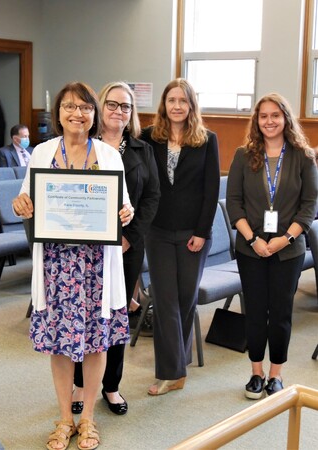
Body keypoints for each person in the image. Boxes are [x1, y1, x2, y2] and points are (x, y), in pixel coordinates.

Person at [12, 81, 134, 450]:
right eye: (69, 107)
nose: (77, 113)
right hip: (57, 264)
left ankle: (88, 419)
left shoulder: (109, 155)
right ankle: (65, 418)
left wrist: (125, 213)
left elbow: (123, 205)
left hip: (97, 262)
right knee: (61, 344)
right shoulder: (43, 152)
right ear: (59, 113)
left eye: (84, 107)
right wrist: (22, 203)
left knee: (97, 342)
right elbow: (26, 196)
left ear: (94, 114)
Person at [72, 81, 160, 415]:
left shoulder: (142, 150)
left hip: (126, 246)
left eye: (125, 106)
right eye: (112, 104)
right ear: (99, 107)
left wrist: (129, 237)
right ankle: (80, 383)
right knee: (86, 314)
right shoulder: (82, 145)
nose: (118, 111)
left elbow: (151, 197)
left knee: (116, 315)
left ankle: (111, 386)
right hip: (85, 247)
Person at [226, 93, 318, 399]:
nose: (269, 121)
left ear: (286, 118)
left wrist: (285, 238)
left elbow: (309, 205)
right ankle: (256, 372)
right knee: (254, 310)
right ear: (257, 120)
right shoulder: (243, 155)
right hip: (249, 248)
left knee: (280, 313)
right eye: (263, 116)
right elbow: (235, 204)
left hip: (288, 250)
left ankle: (276, 373)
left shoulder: (303, 156)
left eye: (275, 115)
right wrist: (253, 238)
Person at [140, 78, 220, 396]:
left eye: (183, 101)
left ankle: (179, 359)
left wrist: (202, 232)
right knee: (166, 302)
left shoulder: (207, 139)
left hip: (193, 234)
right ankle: (171, 372)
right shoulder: (149, 137)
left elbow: (211, 189)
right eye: (171, 100)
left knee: (185, 301)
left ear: (191, 106)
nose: (176, 106)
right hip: (157, 231)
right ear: (164, 104)